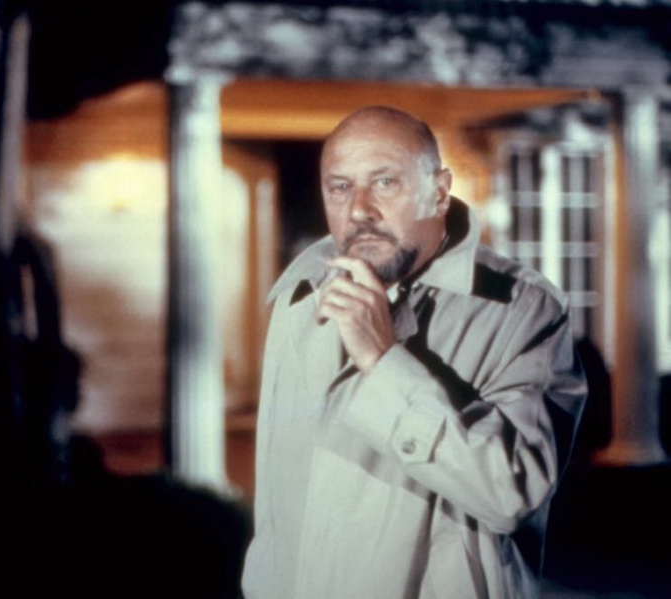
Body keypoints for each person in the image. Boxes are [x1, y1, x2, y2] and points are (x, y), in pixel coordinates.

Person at [241, 106, 587, 598]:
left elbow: (512, 493)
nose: (359, 210)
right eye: (340, 187)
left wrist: (384, 362)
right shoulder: (300, 294)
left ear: (439, 192)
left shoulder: (523, 309)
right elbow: (279, 502)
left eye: (385, 183)